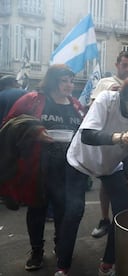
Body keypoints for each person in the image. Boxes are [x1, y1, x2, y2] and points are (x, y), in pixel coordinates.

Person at [56, 72, 128, 276]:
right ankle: (62, 266)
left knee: (122, 213)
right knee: (75, 210)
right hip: (80, 160)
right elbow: (87, 135)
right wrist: (121, 137)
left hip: (110, 165)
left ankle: (107, 264)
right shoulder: (108, 99)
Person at [1, 65, 85, 272]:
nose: (69, 85)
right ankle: (37, 251)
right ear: (53, 80)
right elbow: (10, 124)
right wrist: (35, 131)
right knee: (37, 209)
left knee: (63, 211)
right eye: (65, 80)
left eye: (71, 81)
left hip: (68, 168)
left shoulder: (75, 104)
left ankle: (60, 245)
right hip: (38, 167)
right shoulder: (33, 99)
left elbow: (85, 129)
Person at [89, 51, 128, 239]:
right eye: (124, 65)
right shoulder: (105, 83)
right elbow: (92, 107)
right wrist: (111, 94)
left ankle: (124, 221)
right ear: (116, 65)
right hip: (109, 140)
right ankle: (104, 218)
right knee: (106, 183)